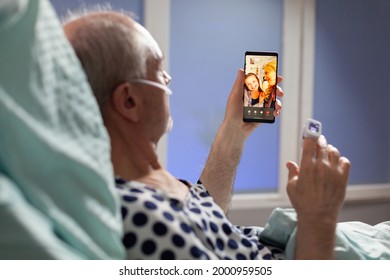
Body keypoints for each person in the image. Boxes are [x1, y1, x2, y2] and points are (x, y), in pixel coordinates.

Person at [63, 10, 351, 260]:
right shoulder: (140, 216)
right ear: (129, 101)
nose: (168, 79)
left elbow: (204, 214)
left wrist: (234, 129)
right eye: (158, 69)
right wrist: (319, 216)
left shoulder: (149, 183)